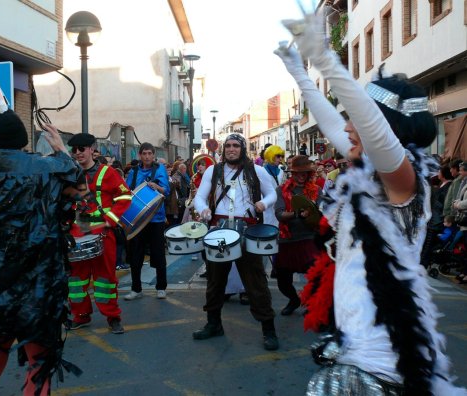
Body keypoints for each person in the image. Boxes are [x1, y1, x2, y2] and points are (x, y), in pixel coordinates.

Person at [278, 13, 465, 394]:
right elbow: (334, 122)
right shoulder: (367, 171)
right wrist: (299, 71)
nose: (347, 128)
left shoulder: (403, 182)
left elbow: (373, 131)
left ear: (385, 129)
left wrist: (328, 61)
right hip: (352, 343)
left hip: (382, 361)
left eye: (357, 120)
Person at [0, 110, 85, 396]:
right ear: (23, 139)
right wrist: (59, 145)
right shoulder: (49, 167)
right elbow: (78, 185)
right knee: (39, 358)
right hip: (38, 280)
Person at [192, 133, 280, 351]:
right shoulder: (213, 171)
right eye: (228, 146)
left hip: (247, 230)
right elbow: (199, 197)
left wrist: (263, 204)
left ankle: (269, 330)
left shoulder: (256, 171)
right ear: (224, 149)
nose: (231, 149)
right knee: (215, 280)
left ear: (242, 148)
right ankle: (213, 324)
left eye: (235, 146)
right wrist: (202, 208)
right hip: (219, 230)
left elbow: (273, 194)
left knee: (256, 282)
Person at [65, 133, 132, 334]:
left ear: (92, 149)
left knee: (105, 278)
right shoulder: (69, 174)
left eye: (82, 148)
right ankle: (81, 316)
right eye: (74, 149)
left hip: (103, 233)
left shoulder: (107, 172)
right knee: (76, 280)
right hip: (77, 234)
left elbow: (125, 196)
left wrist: (109, 220)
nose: (77, 153)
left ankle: (113, 317)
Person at [274, 155, 319, 316]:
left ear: (309, 174)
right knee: (282, 281)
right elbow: (279, 214)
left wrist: (314, 215)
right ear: (292, 174)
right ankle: (294, 300)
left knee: (316, 276)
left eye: (304, 173)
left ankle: (312, 302)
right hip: (286, 240)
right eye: (298, 173)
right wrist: (298, 214)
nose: (301, 177)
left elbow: (321, 214)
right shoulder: (281, 190)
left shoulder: (316, 190)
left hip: (308, 239)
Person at [124, 142, 170, 300]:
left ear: (154, 155)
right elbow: (127, 191)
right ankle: (136, 289)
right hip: (137, 219)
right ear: (140, 155)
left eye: (150, 153)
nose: (147, 156)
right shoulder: (134, 171)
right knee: (135, 255)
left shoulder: (160, 169)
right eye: (144, 154)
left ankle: (161, 287)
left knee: (158, 254)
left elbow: (167, 191)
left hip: (156, 218)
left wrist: (156, 187)